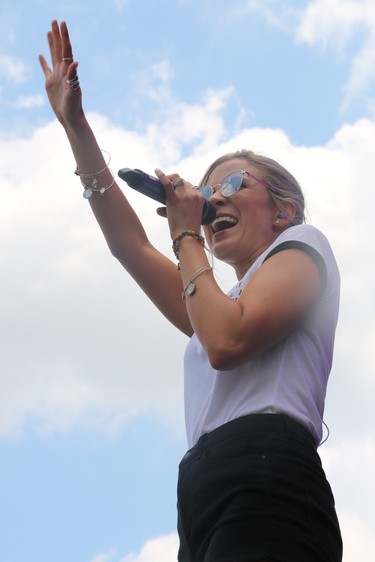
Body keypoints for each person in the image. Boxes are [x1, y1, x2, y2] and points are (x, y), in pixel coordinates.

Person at [39, 20, 343, 562]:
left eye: (230, 185)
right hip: (201, 485)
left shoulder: (304, 245)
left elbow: (227, 345)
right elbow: (130, 246)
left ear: (284, 210)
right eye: (204, 194)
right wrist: (76, 126)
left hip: (266, 471)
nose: (211, 201)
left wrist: (184, 232)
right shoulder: (215, 303)